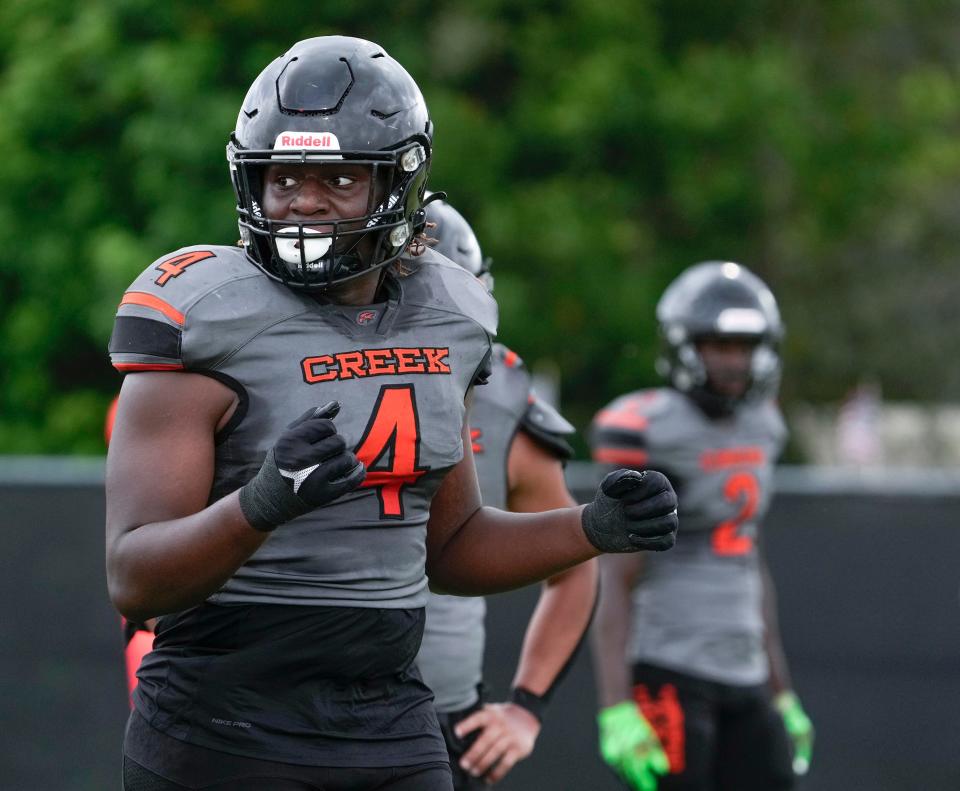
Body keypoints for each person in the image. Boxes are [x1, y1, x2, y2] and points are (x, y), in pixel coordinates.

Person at [106, 36, 678, 791]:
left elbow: (455, 545)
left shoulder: (446, 316)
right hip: (226, 716)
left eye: (337, 178)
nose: (303, 201)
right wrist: (259, 505)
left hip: (387, 715)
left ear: (398, 186)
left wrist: (587, 531)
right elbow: (134, 577)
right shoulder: (204, 316)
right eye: (282, 178)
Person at [589, 261, 814, 791]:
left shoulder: (764, 424)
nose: (734, 360)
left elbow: (749, 559)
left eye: (745, 345)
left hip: (747, 669)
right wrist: (614, 705)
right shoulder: (649, 428)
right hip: (671, 666)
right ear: (684, 345)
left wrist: (781, 688)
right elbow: (616, 575)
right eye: (718, 344)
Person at [415, 198, 598, 788]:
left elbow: (575, 563)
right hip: (300, 713)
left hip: (441, 718)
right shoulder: (288, 365)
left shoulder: (499, 402)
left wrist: (526, 708)